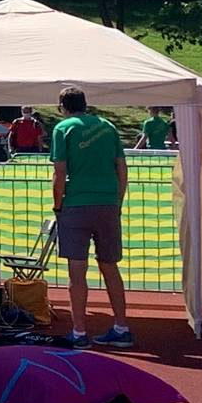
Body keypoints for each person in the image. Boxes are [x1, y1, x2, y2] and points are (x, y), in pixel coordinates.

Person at [51, 86, 135, 348]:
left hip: (76, 204)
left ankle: (79, 332)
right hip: (108, 203)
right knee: (110, 266)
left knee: (77, 271)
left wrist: (58, 205)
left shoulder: (63, 129)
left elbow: (60, 173)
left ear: (63, 106)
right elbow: (122, 168)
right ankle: (121, 326)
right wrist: (117, 201)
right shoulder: (108, 127)